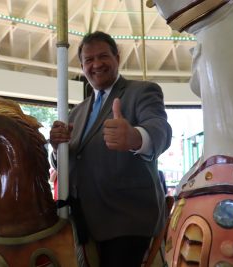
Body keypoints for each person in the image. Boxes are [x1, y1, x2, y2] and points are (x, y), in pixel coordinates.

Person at [49, 31, 172, 267]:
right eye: (89, 60)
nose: (96, 64)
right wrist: (57, 150)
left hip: (126, 218)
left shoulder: (142, 92)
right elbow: (71, 161)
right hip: (81, 221)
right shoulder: (76, 112)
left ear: (117, 57)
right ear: (83, 66)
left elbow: (160, 130)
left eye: (103, 56)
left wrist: (135, 137)